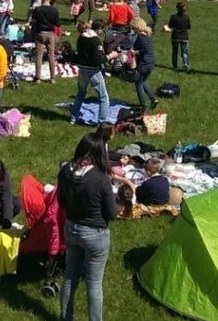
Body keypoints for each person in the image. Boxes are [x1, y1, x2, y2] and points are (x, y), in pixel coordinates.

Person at [58, 132, 118, 321]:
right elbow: (113, 213)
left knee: (70, 278)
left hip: (71, 229)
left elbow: (61, 201)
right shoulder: (101, 179)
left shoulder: (65, 170)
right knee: (93, 284)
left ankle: (66, 318)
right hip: (95, 234)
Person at [71, 19, 111, 125]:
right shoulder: (95, 41)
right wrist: (110, 56)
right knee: (103, 97)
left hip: (82, 69)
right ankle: (102, 122)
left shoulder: (81, 37)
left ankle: (73, 118)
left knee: (81, 93)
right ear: (99, 29)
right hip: (93, 71)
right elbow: (98, 60)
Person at [30, 0, 60, 83]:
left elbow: (33, 22)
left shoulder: (37, 9)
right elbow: (57, 24)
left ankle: (38, 77)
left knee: (39, 55)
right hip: (50, 33)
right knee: (51, 55)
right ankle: (52, 77)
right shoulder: (54, 10)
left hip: (40, 33)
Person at [128, 17, 158, 110]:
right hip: (150, 63)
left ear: (136, 28)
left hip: (144, 63)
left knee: (138, 84)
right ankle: (153, 99)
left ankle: (143, 106)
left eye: (133, 29)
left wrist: (135, 52)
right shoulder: (147, 35)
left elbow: (144, 50)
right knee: (143, 81)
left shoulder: (141, 37)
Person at [165, 1, 191, 73]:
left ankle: (175, 67)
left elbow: (170, 26)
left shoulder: (173, 17)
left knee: (175, 52)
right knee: (184, 52)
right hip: (184, 37)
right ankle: (185, 63)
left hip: (175, 36)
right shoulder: (186, 17)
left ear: (177, 9)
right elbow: (189, 27)